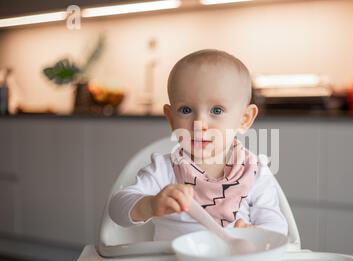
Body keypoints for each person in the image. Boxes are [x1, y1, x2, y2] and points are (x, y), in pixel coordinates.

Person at [109, 49, 288, 241]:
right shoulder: (165, 170)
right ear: (171, 119)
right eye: (186, 110)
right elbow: (117, 208)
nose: (199, 123)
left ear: (244, 119)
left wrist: (257, 234)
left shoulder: (255, 173)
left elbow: (277, 226)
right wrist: (150, 205)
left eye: (216, 110)